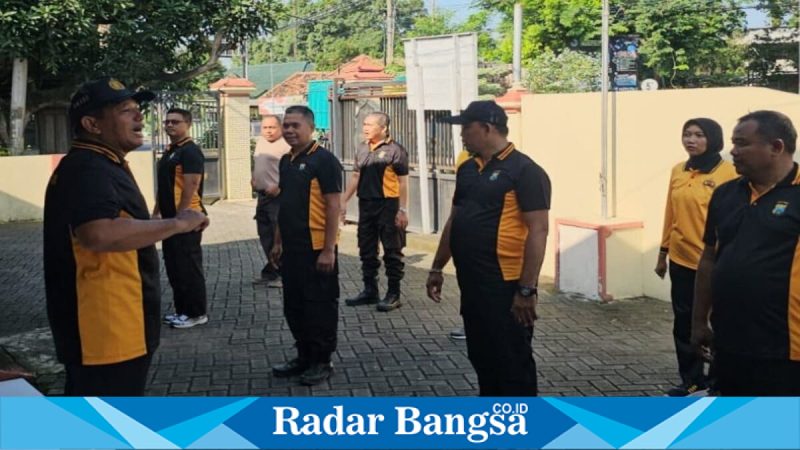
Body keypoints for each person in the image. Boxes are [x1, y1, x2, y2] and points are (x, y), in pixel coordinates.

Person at [43, 77, 208, 396]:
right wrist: (178, 223)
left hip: (118, 326)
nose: (139, 116)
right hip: (106, 331)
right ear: (92, 123)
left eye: (137, 109)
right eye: (125, 110)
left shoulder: (102, 162)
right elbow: (99, 234)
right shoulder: (88, 167)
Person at [425, 101, 550, 396]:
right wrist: (437, 267)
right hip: (473, 283)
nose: (462, 136)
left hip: (505, 286)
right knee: (482, 357)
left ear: (487, 128)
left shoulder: (525, 171)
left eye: (466, 129)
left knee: (512, 363)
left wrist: (526, 290)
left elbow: (538, 230)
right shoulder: (467, 169)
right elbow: (455, 220)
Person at [692, 110, 800, 396]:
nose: (733, 151)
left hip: (786, 349)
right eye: (733, 143)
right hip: (729, 343)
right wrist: (699, 321)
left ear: (776, 147)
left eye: (742, 143)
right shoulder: (726, 194)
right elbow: (709, 259)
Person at [655, 118, 737, 396]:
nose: (691, 140)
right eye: (687, 134)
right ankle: (691, 379)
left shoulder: (729, 174)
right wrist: (663, 252)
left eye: (699, 135)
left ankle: (717, 379)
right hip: (681, 260)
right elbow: (671, 213)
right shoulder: (679, 171)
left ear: (713, 139)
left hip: (714, 262)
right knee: (684, 322)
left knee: (718, 323)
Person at [270, 105, 343, 386]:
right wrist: (278, 241)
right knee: (295, 305)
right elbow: (284, 204)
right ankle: (303, 355)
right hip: (292, 247)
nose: (289, 130)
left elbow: (333, 205)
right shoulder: (286, 160)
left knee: (319, 307)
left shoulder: (324, 160)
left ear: (310, 128)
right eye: (286, 125)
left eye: (295, 125)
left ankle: (322, 361)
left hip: (316, 248)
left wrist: (328, 249)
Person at [341, 112, 409, 312]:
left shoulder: (396, 150)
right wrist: (344, 201)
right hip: (366, 205)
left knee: (392, 251)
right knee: (366, 250)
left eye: (370, 124)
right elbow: (355, 175)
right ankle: (370, 291)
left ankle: (393, 294)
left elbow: (403, 181)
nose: (365, 128)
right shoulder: (362, 148)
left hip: (388, 206)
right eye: (364, 124)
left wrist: (402, 210)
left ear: (384, 128)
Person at [154, 108, 210, 329]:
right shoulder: (171, 151)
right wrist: (156, 211)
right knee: (175, 267)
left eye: (175, 122)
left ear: (187, 124)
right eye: (167, 122)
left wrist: (182, 215)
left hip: (187, 220)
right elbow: (165, 187)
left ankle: (197, 313)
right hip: (171, 220)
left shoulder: (190, 152)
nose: (169, 125)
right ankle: (182, 310)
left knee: (188, 266)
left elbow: (192, 184)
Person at [252, 115, 290, 286]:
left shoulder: (286, 146)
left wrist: (279, 186)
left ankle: (283, 274)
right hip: (262, 196)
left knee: (278, 236)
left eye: (272, 127)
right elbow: (258, 164)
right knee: (264, 234)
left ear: (280, 128)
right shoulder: (261, 142)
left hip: (277, 197)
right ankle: (272, 271)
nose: (268, 131)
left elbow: (291, 172)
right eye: (265, 127)